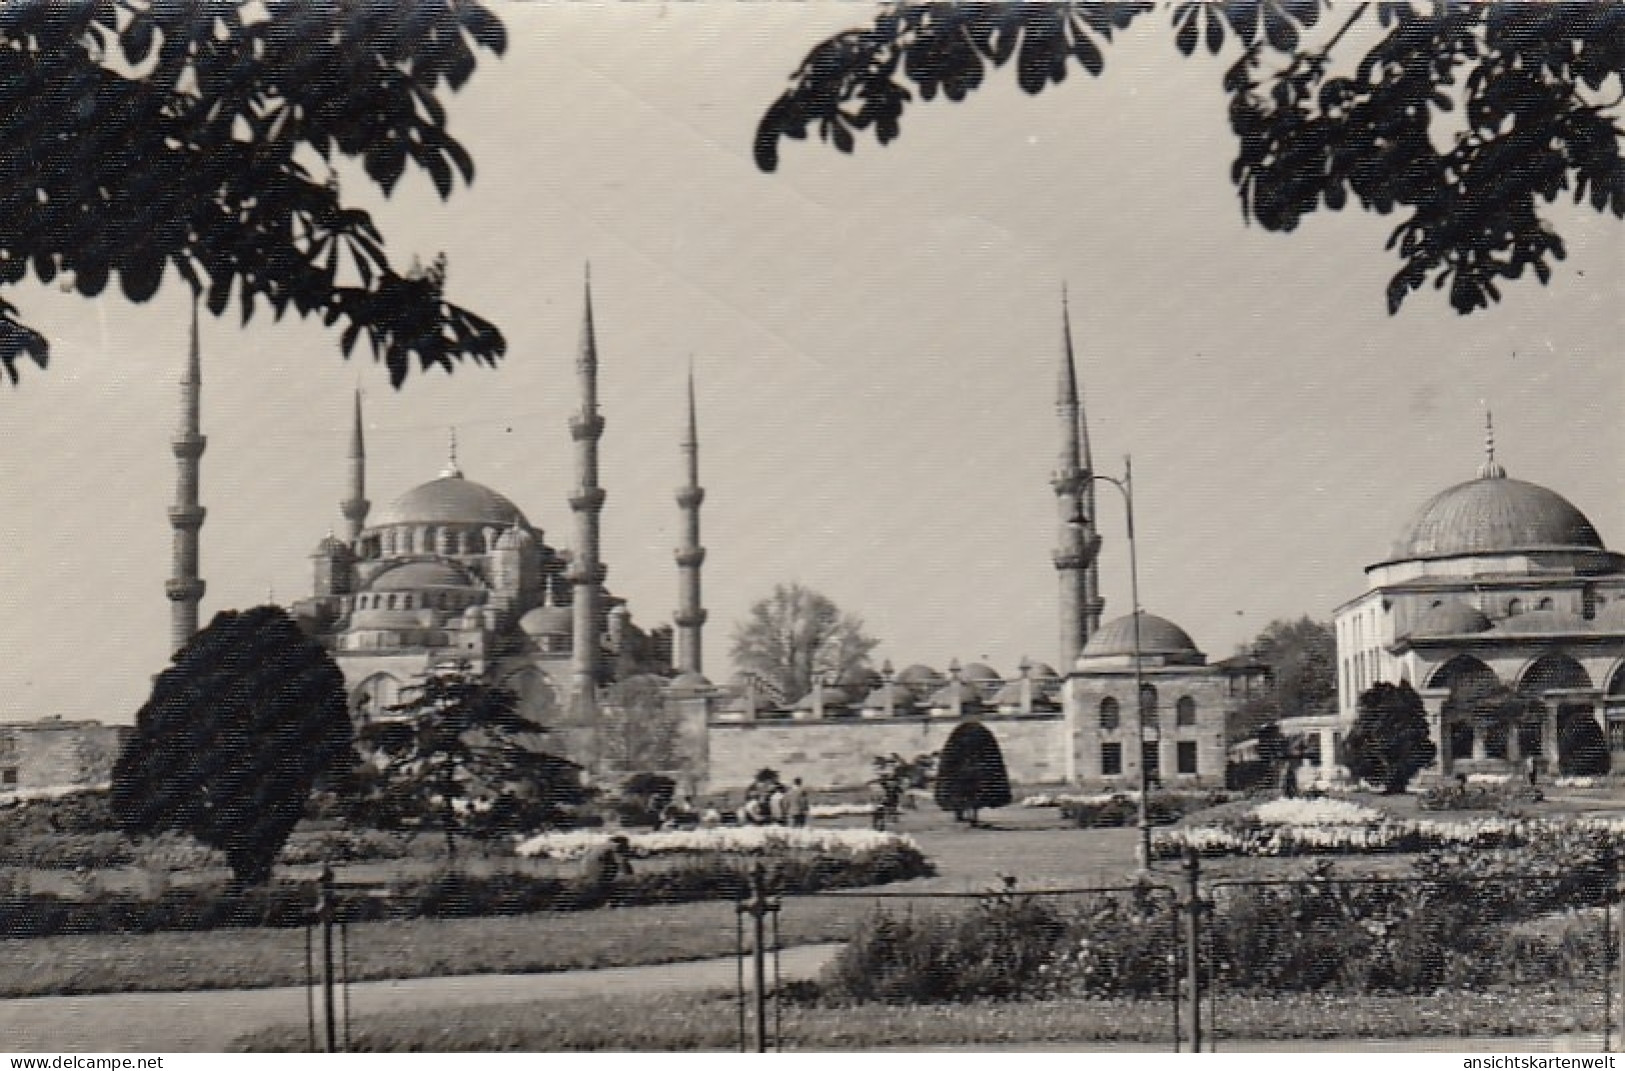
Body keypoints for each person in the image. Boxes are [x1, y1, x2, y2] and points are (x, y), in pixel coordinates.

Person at [582, 834, 635, 904]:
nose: (628, 848)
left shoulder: (601, 846)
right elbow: (621, 863)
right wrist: (631, 877)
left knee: (615, 866)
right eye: (627, 845)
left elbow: (624, 863)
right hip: (598, 874)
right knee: (614, 866)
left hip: (587, 871)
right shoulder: (615, 846)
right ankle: (605, 890)